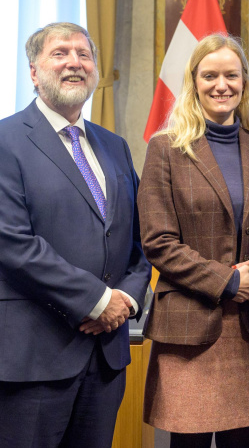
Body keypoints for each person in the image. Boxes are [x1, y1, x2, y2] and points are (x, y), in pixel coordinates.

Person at [0, 22, 151, 448]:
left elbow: (139, 243)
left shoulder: (115, 146)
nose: (74, 63)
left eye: (84, 55)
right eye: (60, 53)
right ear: (33, 71)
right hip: (34, 356)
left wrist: (127, 301)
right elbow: (12, 242)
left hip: (105, 357)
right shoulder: (5, 140)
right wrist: (97, 300)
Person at [138, 34, 249, 448]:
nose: (221, 85)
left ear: (244, 83)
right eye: (210, 75)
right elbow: (158, 241)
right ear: (194, 81)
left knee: (242, 442)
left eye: (231, 75)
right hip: (190, 327)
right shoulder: (165, 149)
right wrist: (227, 281)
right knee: (188, 442)